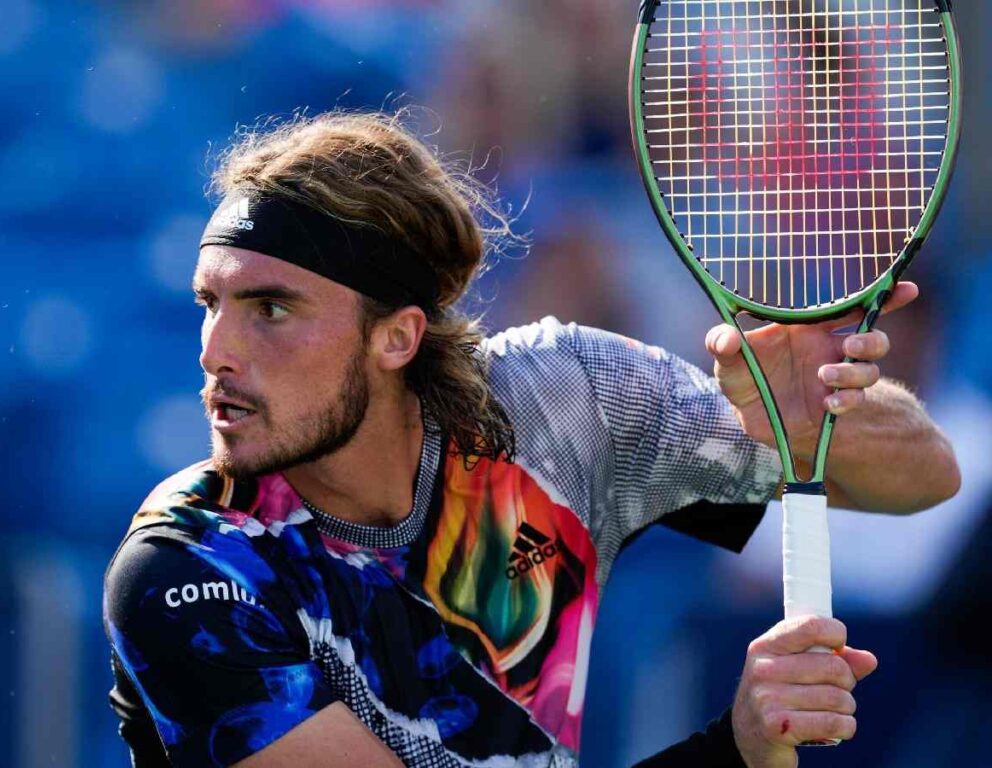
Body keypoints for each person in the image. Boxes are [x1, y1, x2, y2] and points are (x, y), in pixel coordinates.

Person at [103, 110, 959, 768]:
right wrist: (729, 748)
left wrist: (813, 413)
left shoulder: (563, 401)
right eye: (210, 304)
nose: (215, 351)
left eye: (271, 309)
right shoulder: (191, 570)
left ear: (396, 338)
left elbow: (922, 477)